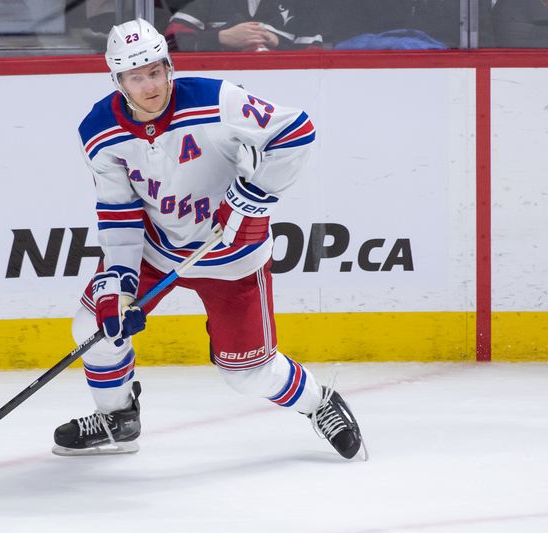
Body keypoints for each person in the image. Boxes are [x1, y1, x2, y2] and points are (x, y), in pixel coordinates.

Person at [52, 18, 366, 461]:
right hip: (157, 252)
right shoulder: (99, 130)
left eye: (156, 71)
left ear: (168, 65)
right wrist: (120, 284)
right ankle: (117, 419)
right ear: (117, 79)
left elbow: (296, 132)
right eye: (136, 76)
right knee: (95, 326)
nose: (149, 86)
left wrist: (249, 197)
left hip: (233, 251)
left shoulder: (216, 98)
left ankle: (320, 403)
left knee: (247, 373)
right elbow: (119, 212)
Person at [164, 0, 324, 52]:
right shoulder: (208, 3)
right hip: (217, 98)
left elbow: (316, 66)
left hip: (280, 99)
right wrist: (221, 38)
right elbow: (169, 45)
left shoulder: (303, 9)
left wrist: (277, 45)